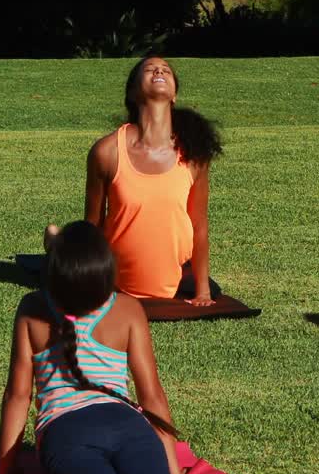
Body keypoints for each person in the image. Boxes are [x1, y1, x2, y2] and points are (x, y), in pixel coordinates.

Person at [0, 221, 241, 474]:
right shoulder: (128, 309)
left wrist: (5, 472)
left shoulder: (32, 309)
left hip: (66, 432)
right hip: (129, 423)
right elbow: (152, 395)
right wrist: (171, 466)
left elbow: (17, 396)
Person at [62, 55, 223, 305]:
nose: (159, 70)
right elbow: (92, 225)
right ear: (134, 93)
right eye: (149, 69)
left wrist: (203, 291)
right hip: (115, 281)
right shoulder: (107, 152)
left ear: (174, 96)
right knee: (65, 258)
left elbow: (199, 225)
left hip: (173, 282)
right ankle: (56, 241)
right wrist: (91, 283)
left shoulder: (193, 154)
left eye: (166, 70)